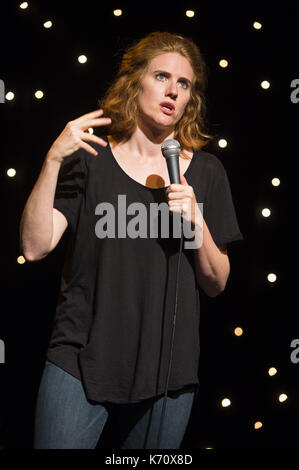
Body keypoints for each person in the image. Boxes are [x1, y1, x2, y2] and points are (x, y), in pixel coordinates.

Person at [19, 31, 243, 449]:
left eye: (184, 84)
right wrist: (52, 160)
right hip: (80, 363)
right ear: (135, 81)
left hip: (166, 375)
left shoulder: (207, 173)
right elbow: (35, 247)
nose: (172, 91)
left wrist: (197, 222)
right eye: (161, 76)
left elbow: (216, 283)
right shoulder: (90, 158)